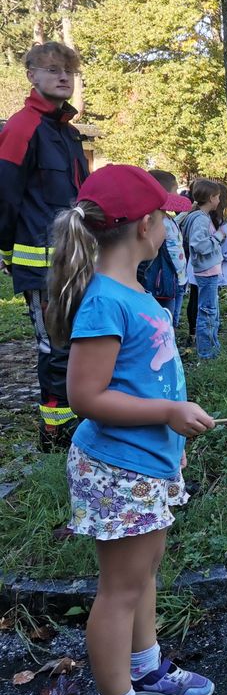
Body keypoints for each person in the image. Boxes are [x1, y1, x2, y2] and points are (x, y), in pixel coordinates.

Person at [43, 164, 215, 695]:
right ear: (145, 225)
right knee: (119, 589)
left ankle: (147, 667)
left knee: (143, 573)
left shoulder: (135, 289)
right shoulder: (106, 301)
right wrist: (167, 411)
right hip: (118, 468)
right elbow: (85, 397)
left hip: (148, 462)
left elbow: (146, 376)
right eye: (165, 216)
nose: (169, 225)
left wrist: (171, 435)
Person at [0, 41, 89, 452]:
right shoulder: (22, 127)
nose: (63, 76)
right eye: (52, 69)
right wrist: (6, 250)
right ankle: (55, 440)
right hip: (42, 265)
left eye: (68, 70)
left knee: (83, 341)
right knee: (55, 350)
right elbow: (4, 195)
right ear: (31, 76)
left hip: (81, 260)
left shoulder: (68, 132)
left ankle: (86, 425)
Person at [181, 180, 225, 360]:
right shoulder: (200, 218)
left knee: (211, 310)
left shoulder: (199, 216)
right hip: (206, 271)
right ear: (210, 198)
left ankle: (213, 346)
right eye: (218, 197)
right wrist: (218, 238)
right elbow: (199, 244)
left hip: (208, 269)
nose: (219, 200)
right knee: (207, 312)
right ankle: (206, 352)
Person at [146, 170, 187, 329]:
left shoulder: (167, 218)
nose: (177, 194)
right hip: (165, 281)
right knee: (165, 324)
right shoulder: (155, 221)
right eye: (175, 190)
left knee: (174, 318)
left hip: (179, 279)